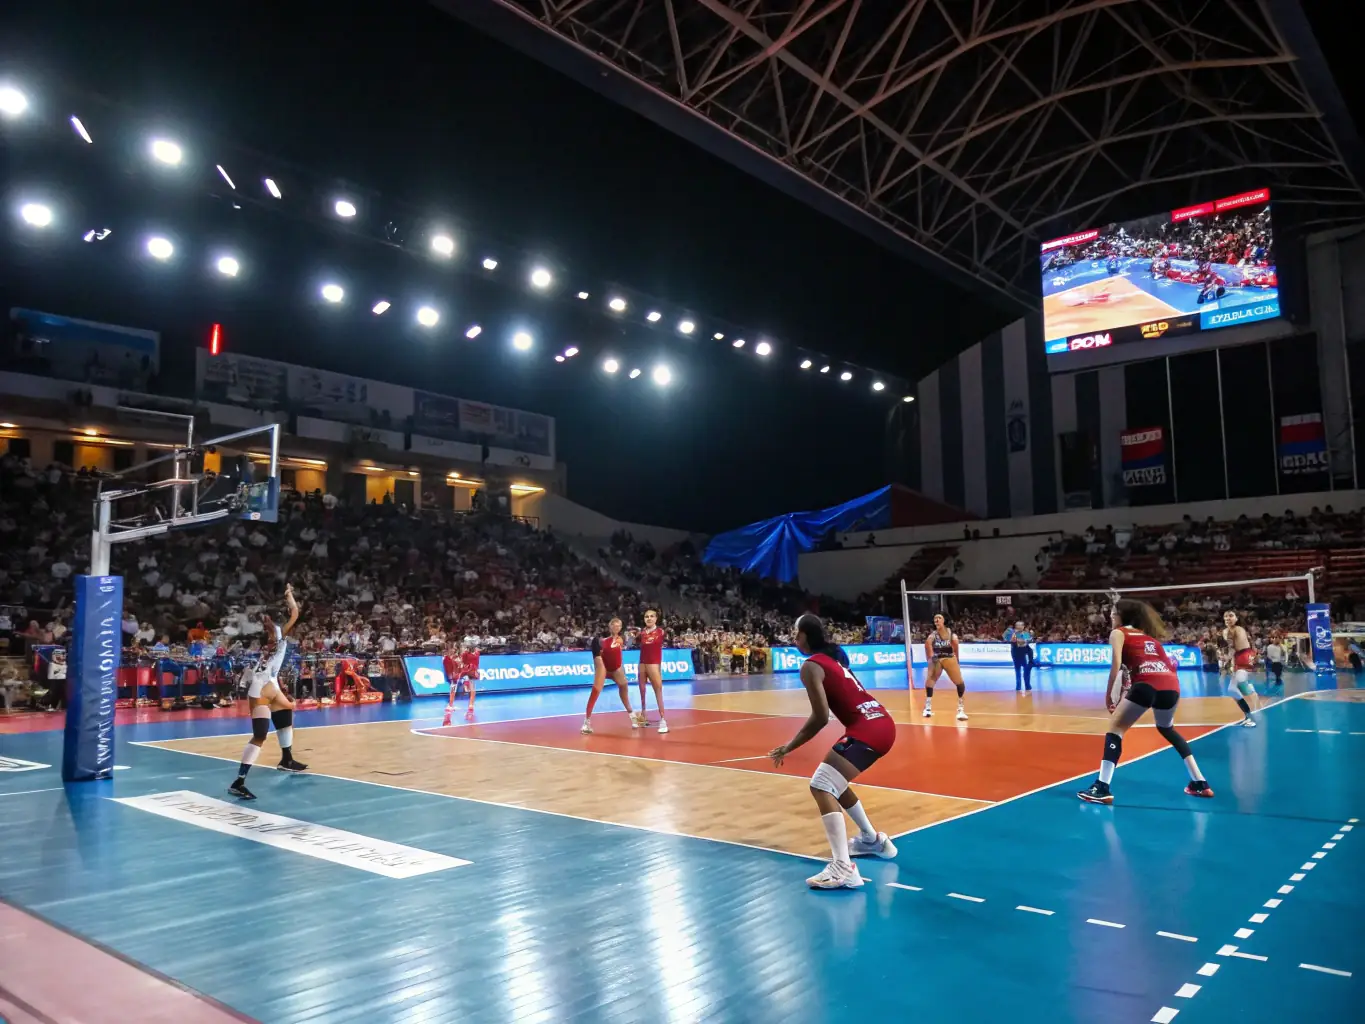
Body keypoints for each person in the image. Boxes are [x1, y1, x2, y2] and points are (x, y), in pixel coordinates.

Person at [769, 614, 897, 889]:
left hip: (868, 731)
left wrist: (789, 746)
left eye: (796, 633)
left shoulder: (811, 666)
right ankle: (871, 839)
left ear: (806, 635)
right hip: (882, 723)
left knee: (821, 785)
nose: (793, 638)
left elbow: (820, 717)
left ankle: (843, 867)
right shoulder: (833, 660)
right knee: (834, 783)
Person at [1078, 599, 1212, 805]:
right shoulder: (1150, 639)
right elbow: (1164, 667)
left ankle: (1101, 787)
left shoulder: (1118, 633)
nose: (1111, 617)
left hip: (1147, 684)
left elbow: (1116, 666)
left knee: (1115, 730)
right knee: (1167, 728)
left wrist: (1108, 696)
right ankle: (1200, 782)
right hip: (1172, 686)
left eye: (1114, 613)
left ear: (1123, 616)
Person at [230, 585, 306, 800]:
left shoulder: (277, 643)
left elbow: (294, 614)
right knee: (260, 735)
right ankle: (239, 781)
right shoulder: (274, 644)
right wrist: (289, 597)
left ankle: (287, 760)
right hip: (260, 692)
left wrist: (289, 595)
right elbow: (295, 614)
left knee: (286, 714)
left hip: (269, 687)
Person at [581, 616, 638, 735]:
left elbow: (629, 643)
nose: (617, 627)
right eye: (614, 625)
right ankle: (586, 722)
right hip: (604, 669)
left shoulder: (621, 639)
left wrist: (633, 638)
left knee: (624, 687)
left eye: (619, 625)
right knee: (595, 691)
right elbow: (598, 651)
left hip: (616, 669)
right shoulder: (603, 641)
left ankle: (632, 715)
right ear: (610, 627)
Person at [923, 613, 968, 720]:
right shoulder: (932, 635)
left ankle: (961, 708)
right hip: (937, 659)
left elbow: (956, 647)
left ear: (944, 621)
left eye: (939, 618)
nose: (936, 620)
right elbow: (927, 645)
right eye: (935, 618)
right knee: (930, 681)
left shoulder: (951, 634)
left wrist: (957, 660)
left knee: (959, 682)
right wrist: (930, 658)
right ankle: (927, 707)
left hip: (949, 658)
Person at [634, 608, 669, 733]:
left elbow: (651, 640)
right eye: (646, 616)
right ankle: (643, 716)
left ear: (656, 618)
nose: (649, 618)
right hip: (642, 663)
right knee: (642, 690)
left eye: (651, 616)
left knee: (657, 690)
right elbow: (634, 642)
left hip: (653, 664)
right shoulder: (642, 633)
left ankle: (663, 719)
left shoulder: (660, 631)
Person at [1222, 611, 1259, 727]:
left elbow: (1236, 648)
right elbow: (1231, 649)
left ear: (1236, 618)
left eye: (1231, 616)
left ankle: (1252, 716)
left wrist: (1227, 660)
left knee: (1239, 680)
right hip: (1237, 658)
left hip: (1245, 656)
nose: (1228, 618)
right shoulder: (1224, 632)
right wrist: (1231, 663)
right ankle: (1248, 716)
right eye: (1226, 616)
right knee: (1231, 690)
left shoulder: (1239, 630)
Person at [1004, 620, 1034, 691]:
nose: (1019, 626)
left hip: (1024, 653)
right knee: (1017, 670)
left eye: (1021, 625)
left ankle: (1027, 685)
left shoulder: (1025, 633)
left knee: (1026, 669)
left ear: (1023, 627)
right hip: (1016, 653)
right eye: (1018, 625)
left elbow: (1030, 640)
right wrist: (1027, 639)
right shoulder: (1010, 632)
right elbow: (1014, 641)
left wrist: (1031, 637)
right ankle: (1018, 687)